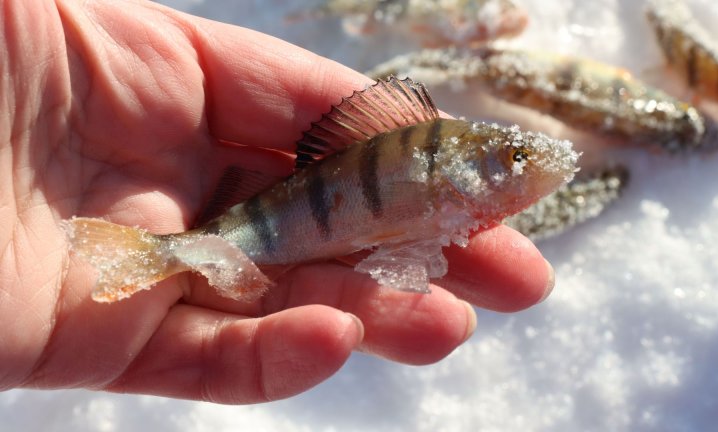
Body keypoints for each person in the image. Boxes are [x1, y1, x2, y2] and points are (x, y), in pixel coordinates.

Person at [0, 0, 555, 404]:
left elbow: (398, 246)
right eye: (513, 161)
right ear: (463, 169)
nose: (531, 169)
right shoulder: (434, 171)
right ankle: (162, 253)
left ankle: (167, 254)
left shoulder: (445, 175)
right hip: (266, 220)